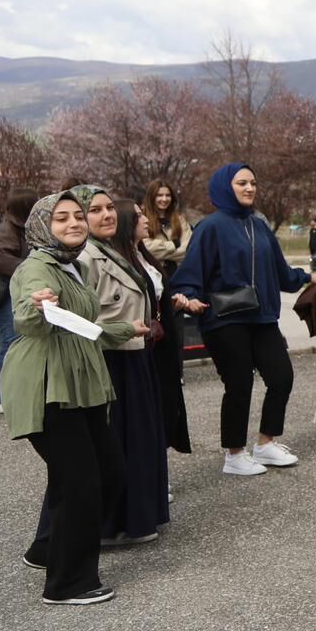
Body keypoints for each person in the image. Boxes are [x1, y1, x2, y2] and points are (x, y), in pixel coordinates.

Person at [3, 192, 144, 605]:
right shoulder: (37, 268)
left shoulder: (73, 265)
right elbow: (29, 319)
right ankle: (68, 583)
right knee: (82, 482)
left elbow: (83, 325)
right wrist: (37, 307)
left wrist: (125, 331)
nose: (74, 224)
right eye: (61, 218)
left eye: (77, 216)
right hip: (48, 387)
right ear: (43, 226)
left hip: (80, 386)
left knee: (107, 474)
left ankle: (48, 550)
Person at [170, 163, 316, 476]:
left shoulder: (259, 226)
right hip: (224, 319)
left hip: (262, 317)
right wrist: (188, 297)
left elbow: (281, 273)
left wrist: (311, 276)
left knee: (281, 377)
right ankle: (234, 454)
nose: (249, 188)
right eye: (241, 183)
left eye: (253, 183)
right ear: (224, 187)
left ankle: (265, 443)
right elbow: (190, 273)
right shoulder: (211, 227)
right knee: (239, 384)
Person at [64, 192, 168, 547]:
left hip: (132, 352)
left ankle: (133, 518)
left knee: (135, 440)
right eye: (93, 210)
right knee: (115, 444)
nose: (106, 215)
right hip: (110, 356)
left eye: (109, 208)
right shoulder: (84, 257)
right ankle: (111, 524)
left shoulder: (112, 251)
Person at [140, 179, 191, 454]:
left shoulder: (179, 219)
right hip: (154, 279)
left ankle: (177, 372)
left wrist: (166, 248)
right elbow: (149, 247)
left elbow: (187, 250)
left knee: (176, 332)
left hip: (176, 279)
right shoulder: (143, 218)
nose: (163, 199)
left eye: (167, 195)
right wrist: (172, 247)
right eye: (158, 195)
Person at [0, 187, 32, 414]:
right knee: (11, 340)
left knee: (18, 340)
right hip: (2, 294)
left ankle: (10, 390)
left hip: (12, 291)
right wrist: (34, 268)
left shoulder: (19, 227)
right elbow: (3, 262)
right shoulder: (7, 229)